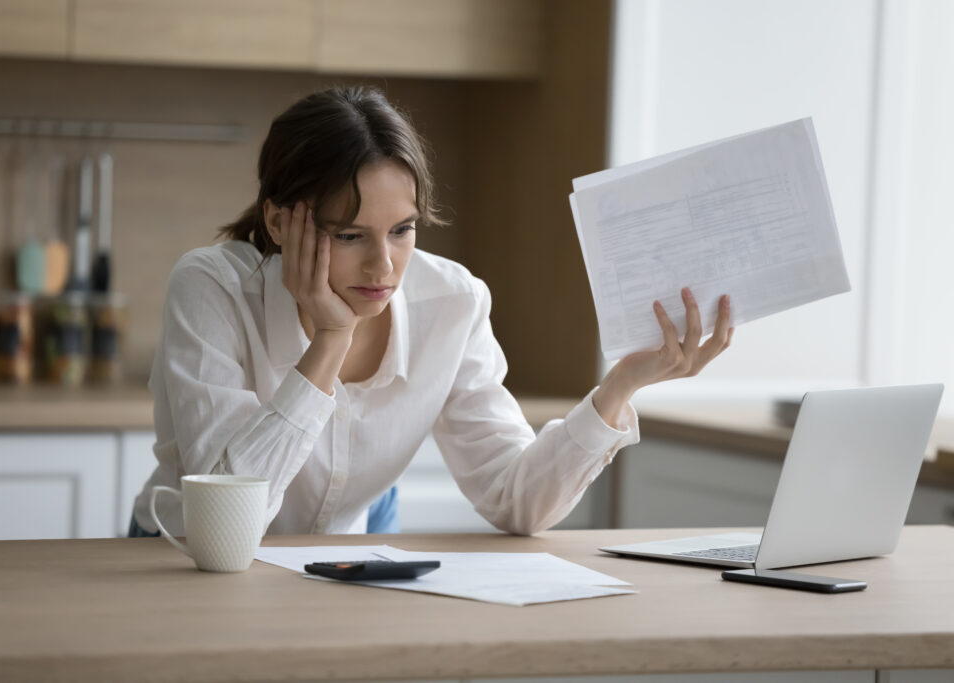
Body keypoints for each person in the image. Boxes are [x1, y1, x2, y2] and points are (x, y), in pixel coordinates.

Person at [129, 85, 733, 539]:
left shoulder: (453, 302)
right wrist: (331, 339)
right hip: (180, 565)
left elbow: (515, 499)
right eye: (349, 236)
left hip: (339, 571)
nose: (383, 268)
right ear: (280, 220)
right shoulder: (211, 288)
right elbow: (224, 524)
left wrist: (621, 384)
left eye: (402, 230)